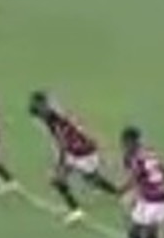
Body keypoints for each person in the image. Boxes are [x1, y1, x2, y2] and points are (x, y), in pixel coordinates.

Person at [28, 91, 118, 225]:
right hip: (80, 151)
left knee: (62, 180)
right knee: (89, 179)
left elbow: (62, 146)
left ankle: (76, 210)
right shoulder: (56, 117)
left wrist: (59, 165)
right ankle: (116, 193)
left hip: (82, 153)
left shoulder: (55, 122)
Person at [120, 126, 164, 238]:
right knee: (136, 235)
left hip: (155, 201)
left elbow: (133, 178)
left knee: (143, 235)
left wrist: (122, 191)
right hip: (154, 199)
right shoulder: (150, 152)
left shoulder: (134, 158)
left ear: (132, 141)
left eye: (126, 142)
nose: (124, 145)